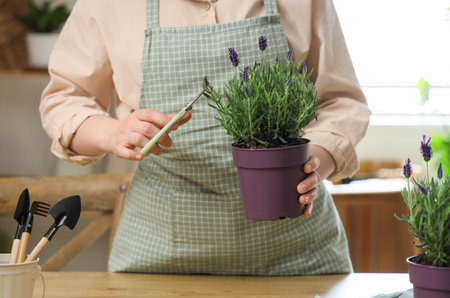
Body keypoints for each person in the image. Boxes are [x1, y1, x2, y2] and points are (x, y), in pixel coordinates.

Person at [40, 0, 370, 275]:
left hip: (298, 256)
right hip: (160, 260)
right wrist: (112, 132)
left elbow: (341, 101)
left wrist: (316, 163)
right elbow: (65, 99)